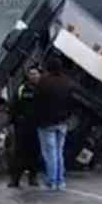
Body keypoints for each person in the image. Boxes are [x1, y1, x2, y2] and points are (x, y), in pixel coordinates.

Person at [35, 58, 74, 191]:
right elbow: (71, 102)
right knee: (59, 152)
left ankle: (51, 182)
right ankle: (60, 181)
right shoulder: (67, 82)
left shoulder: (44, 82)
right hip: (62, 122)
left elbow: (38, 102)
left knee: (50, 154)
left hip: (46, 123)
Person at [8, 67, 42, 188]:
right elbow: (13, 104)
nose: (33, 76)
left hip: (36, 125)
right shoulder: (22, 88)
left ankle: (33, 178)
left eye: (35, 74)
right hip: (22, 126)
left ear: (39, 75)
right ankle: (15, 179)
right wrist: (13, 120)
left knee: (34, 152)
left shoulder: (42, 89)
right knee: (19, 153)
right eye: (31, 74)